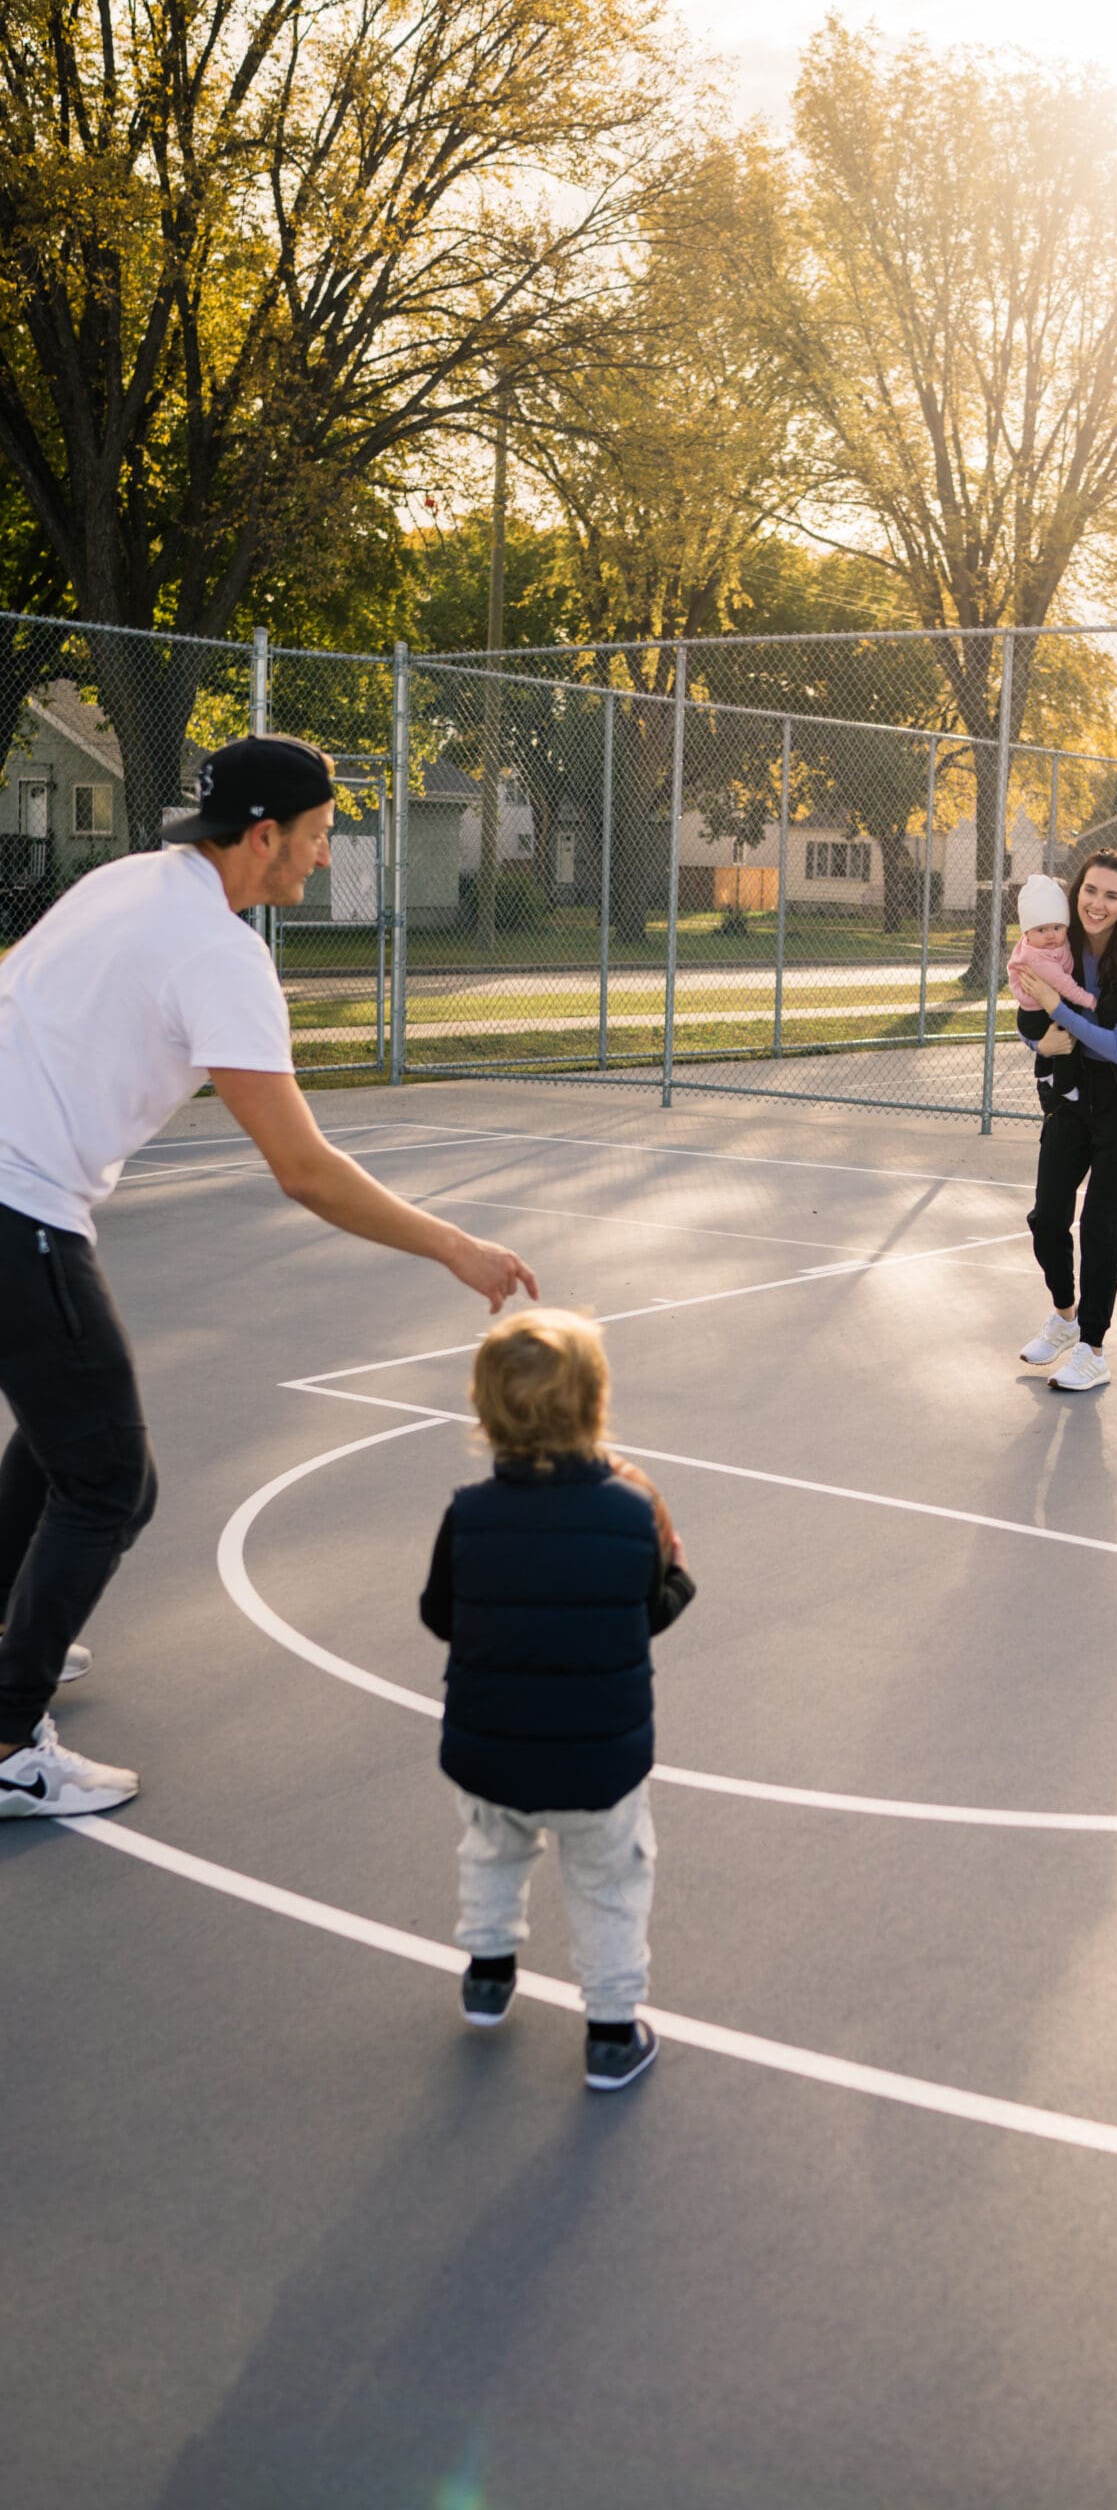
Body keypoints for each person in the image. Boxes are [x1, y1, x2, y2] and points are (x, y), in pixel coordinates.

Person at [0, 734, 536, 1821]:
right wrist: (455, 1246)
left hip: (18, 1194)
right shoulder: (218, 953)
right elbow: (304, 1170)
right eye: (319, 837)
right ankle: (9, 1737)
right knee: (110, 1481)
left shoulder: (129, 881)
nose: (324, 860)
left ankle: (13, 1647)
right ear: (263, 837)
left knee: (62, 1445)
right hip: (21, 1208)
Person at [420, 1308, 696, 2092]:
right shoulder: (631, 1510)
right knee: (609, 1881)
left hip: (491, 1748)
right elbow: (648, 1617)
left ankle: (487, 1972)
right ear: (595, 1404)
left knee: (492, 1849)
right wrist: (678, 1569)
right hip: (598, 1757)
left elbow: (439, 1616)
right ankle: (611, 2031)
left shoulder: (466, 1514)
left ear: (484, 1409)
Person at [1010, 850, 1117, 1394]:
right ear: (1075, 892)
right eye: (1090, 891)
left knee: (1103, 1233)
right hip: (1073, 1099)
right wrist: (1039, 1037)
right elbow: (1027, 1008)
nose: (1097, 904)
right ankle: (1066, 1317)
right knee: (1046, 1218)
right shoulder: (1059, 943)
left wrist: (1057, 1012)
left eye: (1111, 895)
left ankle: (1093, 1350)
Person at [1006, 873, 1096, 1113]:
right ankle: (1064, 1084)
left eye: (1057, 927)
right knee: (1065, 1038)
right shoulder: (1039, 957)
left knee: (1060, 1033)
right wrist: (1091, 1001)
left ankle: (1044, 1073)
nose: (1051, 935)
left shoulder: (1058, 944)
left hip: (1040, 1012)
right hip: (1034, 1017)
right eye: (1041, 929)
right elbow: (1065, 986)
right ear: (1027, 933)